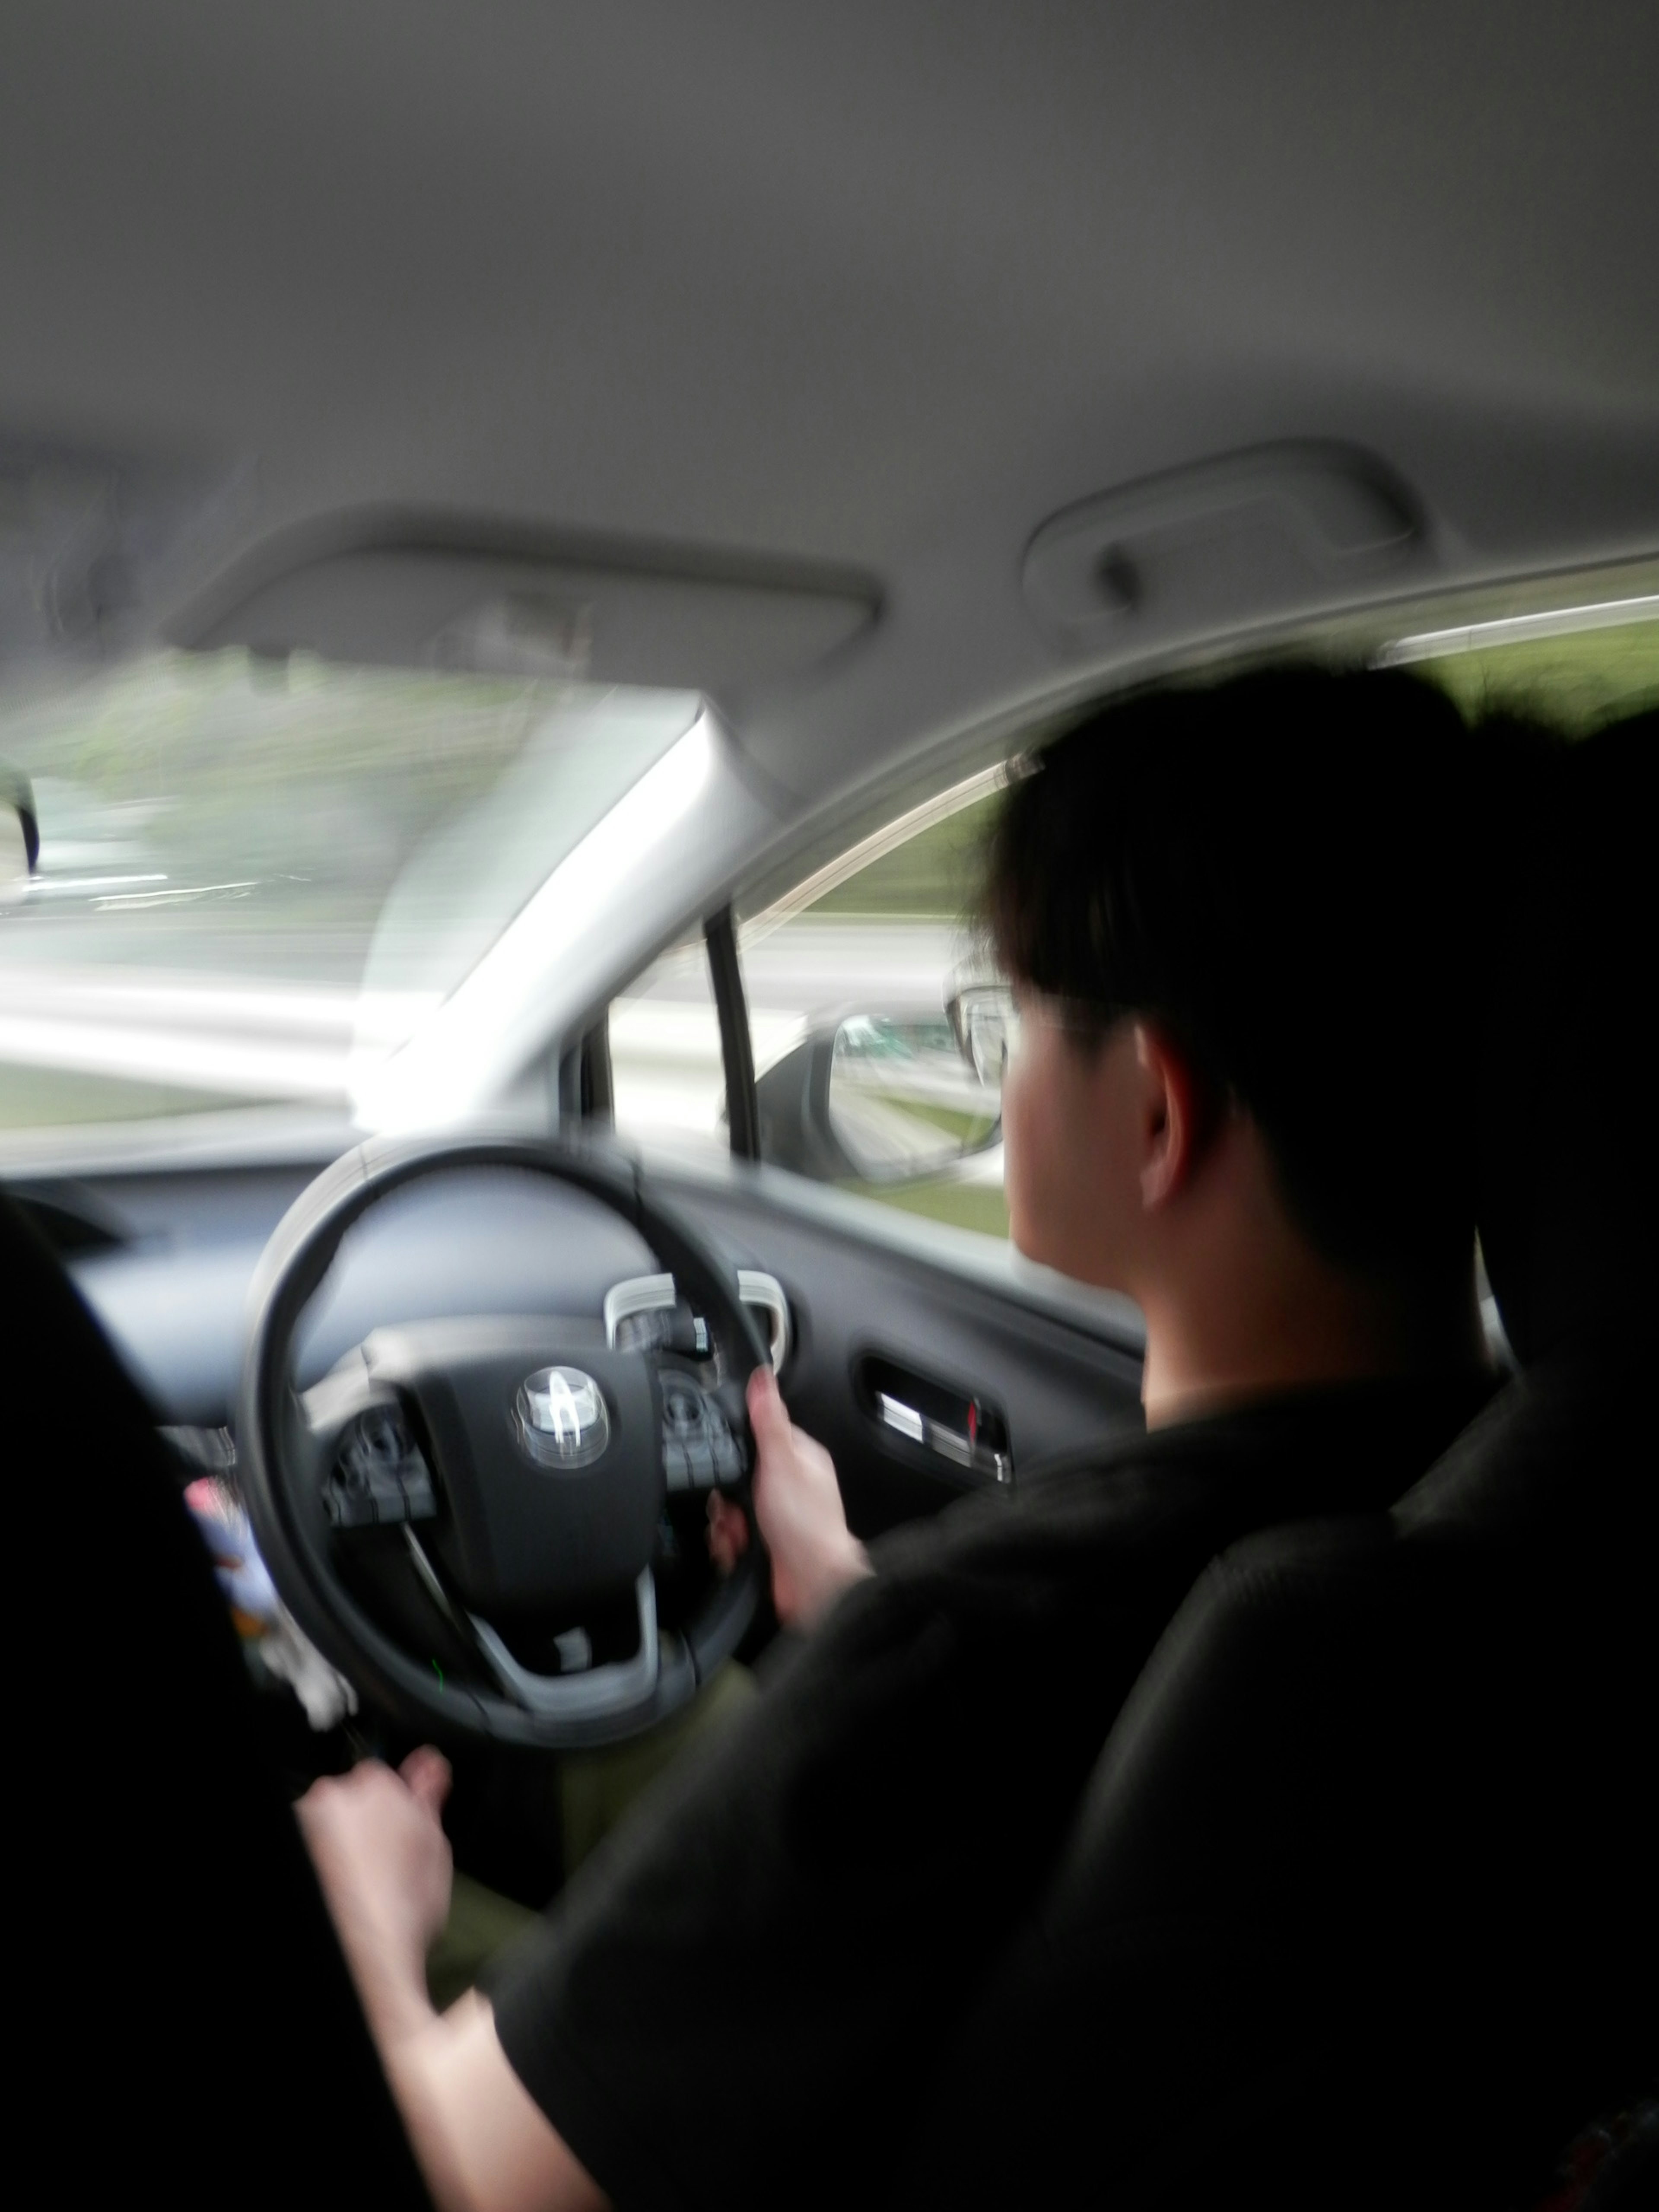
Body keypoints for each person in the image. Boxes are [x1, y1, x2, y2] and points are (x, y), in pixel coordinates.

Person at [299, 665, 1499, 2212]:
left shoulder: (977, 1647)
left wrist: (358, 1928)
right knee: (668, 1721)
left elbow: (464, 2175)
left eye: (1012, 1017)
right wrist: (845, 1587)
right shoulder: (1534, 1497)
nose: (997, 1064)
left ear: (1156, 1108)